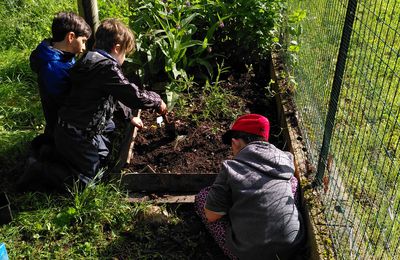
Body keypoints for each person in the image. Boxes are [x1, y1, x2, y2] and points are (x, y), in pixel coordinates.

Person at [18, 18, 167, 191]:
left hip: (71, 128)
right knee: (89, 184)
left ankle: (53, 154)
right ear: (117, 48)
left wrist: (129, 116)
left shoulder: (89, 58)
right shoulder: (106, 68)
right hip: (78, 134)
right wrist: (157, 100)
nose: (124, 59)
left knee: (103, 155)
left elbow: (114, 93)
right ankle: (40, 169)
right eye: (125, 54)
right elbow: (133, 95)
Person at [194, 114, 305, 260]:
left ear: (235, 143)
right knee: (292, 182)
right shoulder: (286, 159)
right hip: (291, 247)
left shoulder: (231, 168)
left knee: (203, 198)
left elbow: (212, 216)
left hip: (248, 255)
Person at [29, 12, 92, 154]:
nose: (84, 48)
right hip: (64, 125)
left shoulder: (63, 54)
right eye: (83, 41)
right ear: (70, 37)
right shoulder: (52, 68)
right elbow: (66, 103)